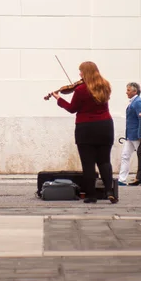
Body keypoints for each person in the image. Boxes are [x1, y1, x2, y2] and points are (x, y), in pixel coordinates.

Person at [52, 61, 117, 204]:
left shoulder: (81, 89)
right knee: (105, 161)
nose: (79, 74)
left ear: (85, 72)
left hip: (86, 127)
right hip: (105, 126)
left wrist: (59, 99)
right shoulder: (105, 85)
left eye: (81, 71)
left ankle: (91, 195)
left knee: (88, 163)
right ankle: (109, 191)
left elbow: (72, 108)